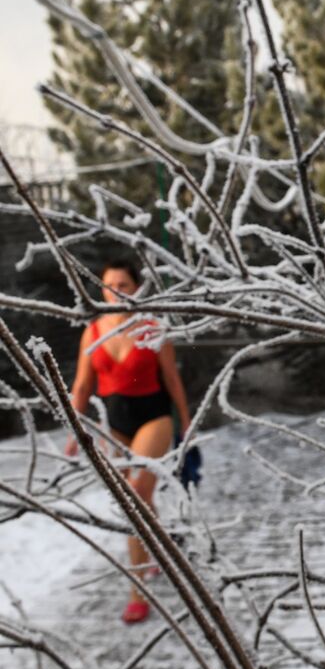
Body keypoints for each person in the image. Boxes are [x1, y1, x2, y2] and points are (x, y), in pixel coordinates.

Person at [65, 258, 191, 624]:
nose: (115, 291)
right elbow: (83, 386)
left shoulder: (152, 328)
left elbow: (172, 379)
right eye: (108, 285)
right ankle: (151, 550)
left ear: (136, 289)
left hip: (153, 418)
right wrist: (75, 429)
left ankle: (138, 593)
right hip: (113, 424)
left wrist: (186, 422)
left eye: (123, 284)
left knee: (137, 494)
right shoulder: (93, 332)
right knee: (133, 501)